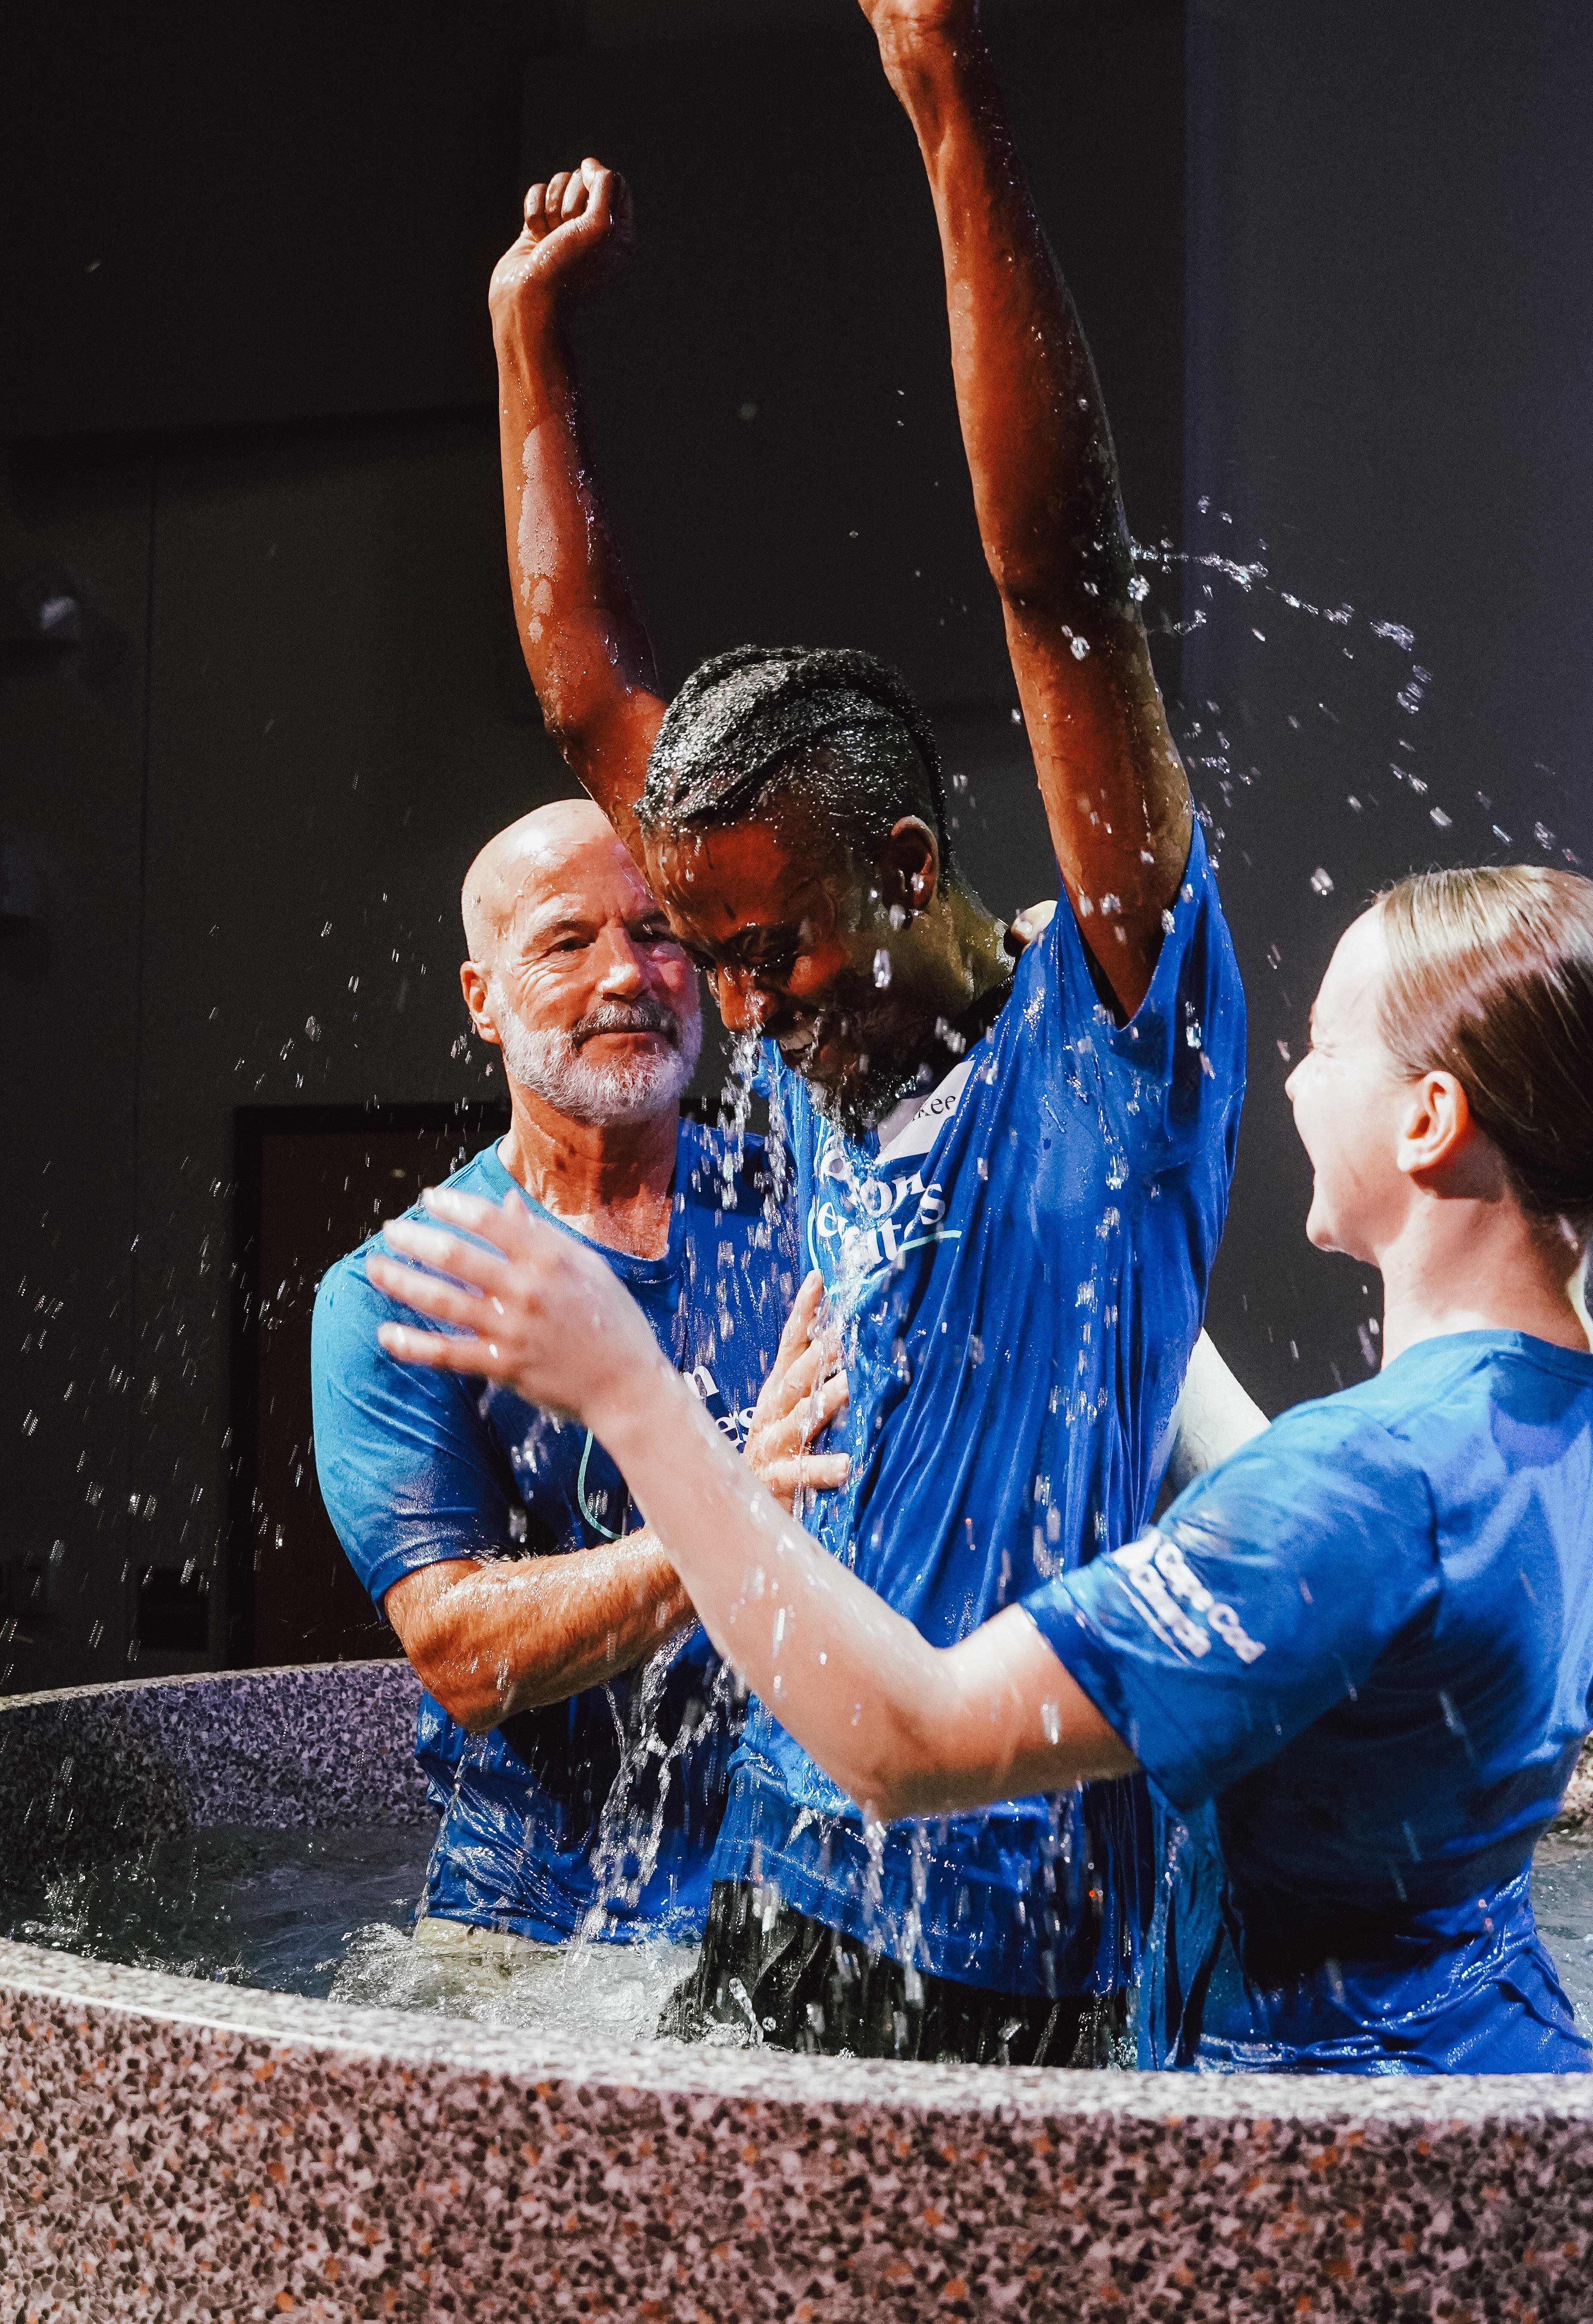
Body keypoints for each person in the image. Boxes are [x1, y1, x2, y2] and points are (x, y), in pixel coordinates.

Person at [372, 862, 1593, 2072]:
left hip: (1331, 2151)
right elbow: (1303, 1533)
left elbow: (914, 1743)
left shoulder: (1357, 1488)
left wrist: (637, 1398)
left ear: (1429, 1119)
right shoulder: (1584, 1390)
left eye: (1321, 1047)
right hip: (1501, 2060)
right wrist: (1078, 1158)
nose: (1288, 1080)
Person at [484, 0, 1253, 2062]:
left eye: (769, 957)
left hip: (1013, 1933)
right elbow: (590, 704)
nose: (733, 1012)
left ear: (909, 862)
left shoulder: (1108, 1043)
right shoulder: (822, 1019)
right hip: (778, 1862)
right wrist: (522, 344)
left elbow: (1056, 576)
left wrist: (948, 97)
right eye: (709, 957)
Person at [311, 800, 843, 1975]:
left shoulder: (810, 1208)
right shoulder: (404, 1292)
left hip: (811, 1901)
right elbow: (462, 1650)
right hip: (533, 1934)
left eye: (659, 932)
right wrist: (734, 1514)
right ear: (481, 998)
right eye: (565, 942)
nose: (626, 975)